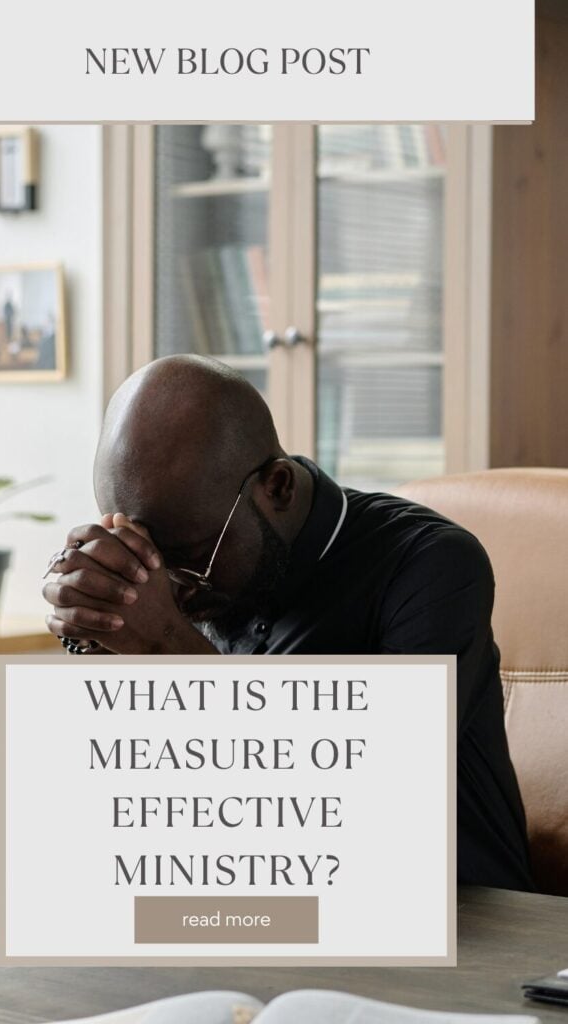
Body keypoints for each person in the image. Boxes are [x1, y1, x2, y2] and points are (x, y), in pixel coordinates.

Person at [42, 354, 533, 892]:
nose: (173, 588)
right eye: (141, 552)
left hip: (456, 920)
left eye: (189, 559)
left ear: (276, 488)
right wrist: (97, 628)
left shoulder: (432, 564)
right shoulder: (200, 557)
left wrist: (164, 644)